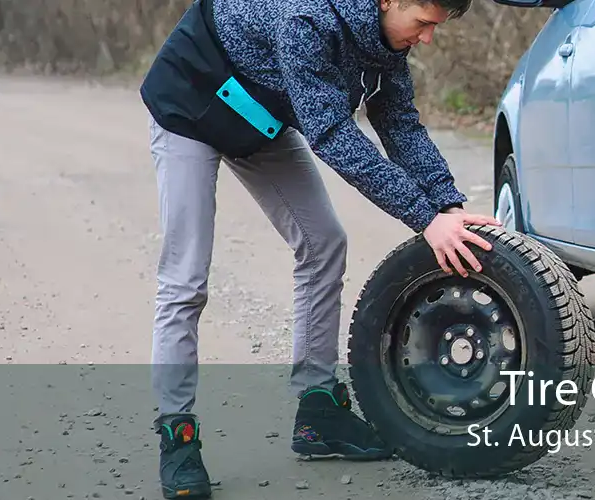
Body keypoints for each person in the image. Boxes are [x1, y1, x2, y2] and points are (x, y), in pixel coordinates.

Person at [138, 0, 496, 497]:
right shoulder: (306, 21)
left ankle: (319, 411)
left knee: (324, 243)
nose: (428, 39)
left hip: (259, 117)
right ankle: (176, 434)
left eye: (436, 27)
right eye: (424, 24)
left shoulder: (386, 41)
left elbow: (400, 123)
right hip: (189, 104)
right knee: (186, 278)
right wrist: (423, 219)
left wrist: (447, 206)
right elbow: (331, 133)